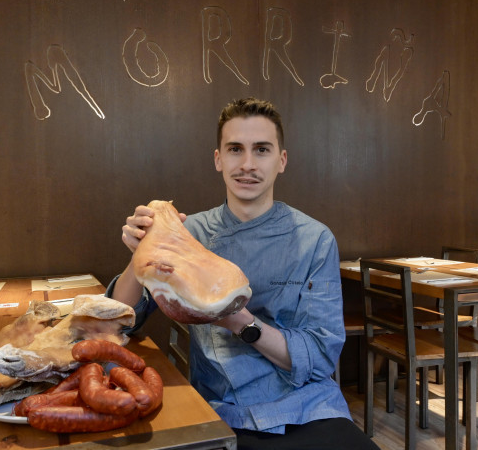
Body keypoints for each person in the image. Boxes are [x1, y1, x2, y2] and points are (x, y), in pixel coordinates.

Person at [106, 97, 380, 450]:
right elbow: (120, 322)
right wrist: (141, 254)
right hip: (219, 409)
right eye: (235, 149)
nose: (247, 164)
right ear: (218, 159)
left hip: (306, 408)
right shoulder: (189, 233)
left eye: (262, 150)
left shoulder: (314, 240)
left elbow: (318, 358)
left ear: (281, 161)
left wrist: (241, 322)